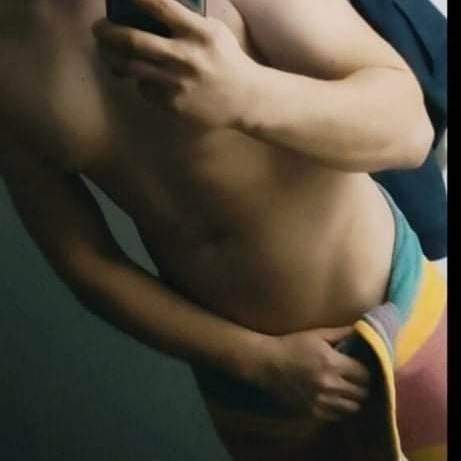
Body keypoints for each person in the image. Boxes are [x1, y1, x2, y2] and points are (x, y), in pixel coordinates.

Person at [0, 0, 445, 459]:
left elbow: (408, 129)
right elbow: (86, 262)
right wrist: (258, 361)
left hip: (400, 325)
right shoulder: (7, 65)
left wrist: (245, 95)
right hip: (258, 394)